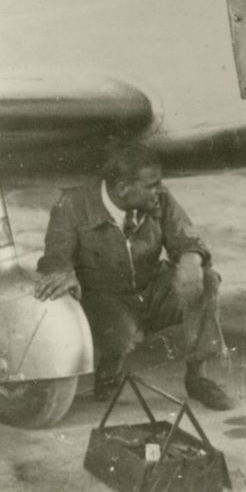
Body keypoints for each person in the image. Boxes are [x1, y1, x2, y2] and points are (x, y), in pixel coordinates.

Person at [34, 144, 234, 410]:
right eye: (151, 185)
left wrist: (191, 258)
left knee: (207, 280)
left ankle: (198, 377)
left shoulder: (160, 199)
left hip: (151, 288)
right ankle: (111, 366)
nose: (160, 190)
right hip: (106, 298)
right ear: (123, 189)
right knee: (118, 339)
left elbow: (187, 239)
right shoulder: (71, 204)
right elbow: (55, 257)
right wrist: (63, 272)